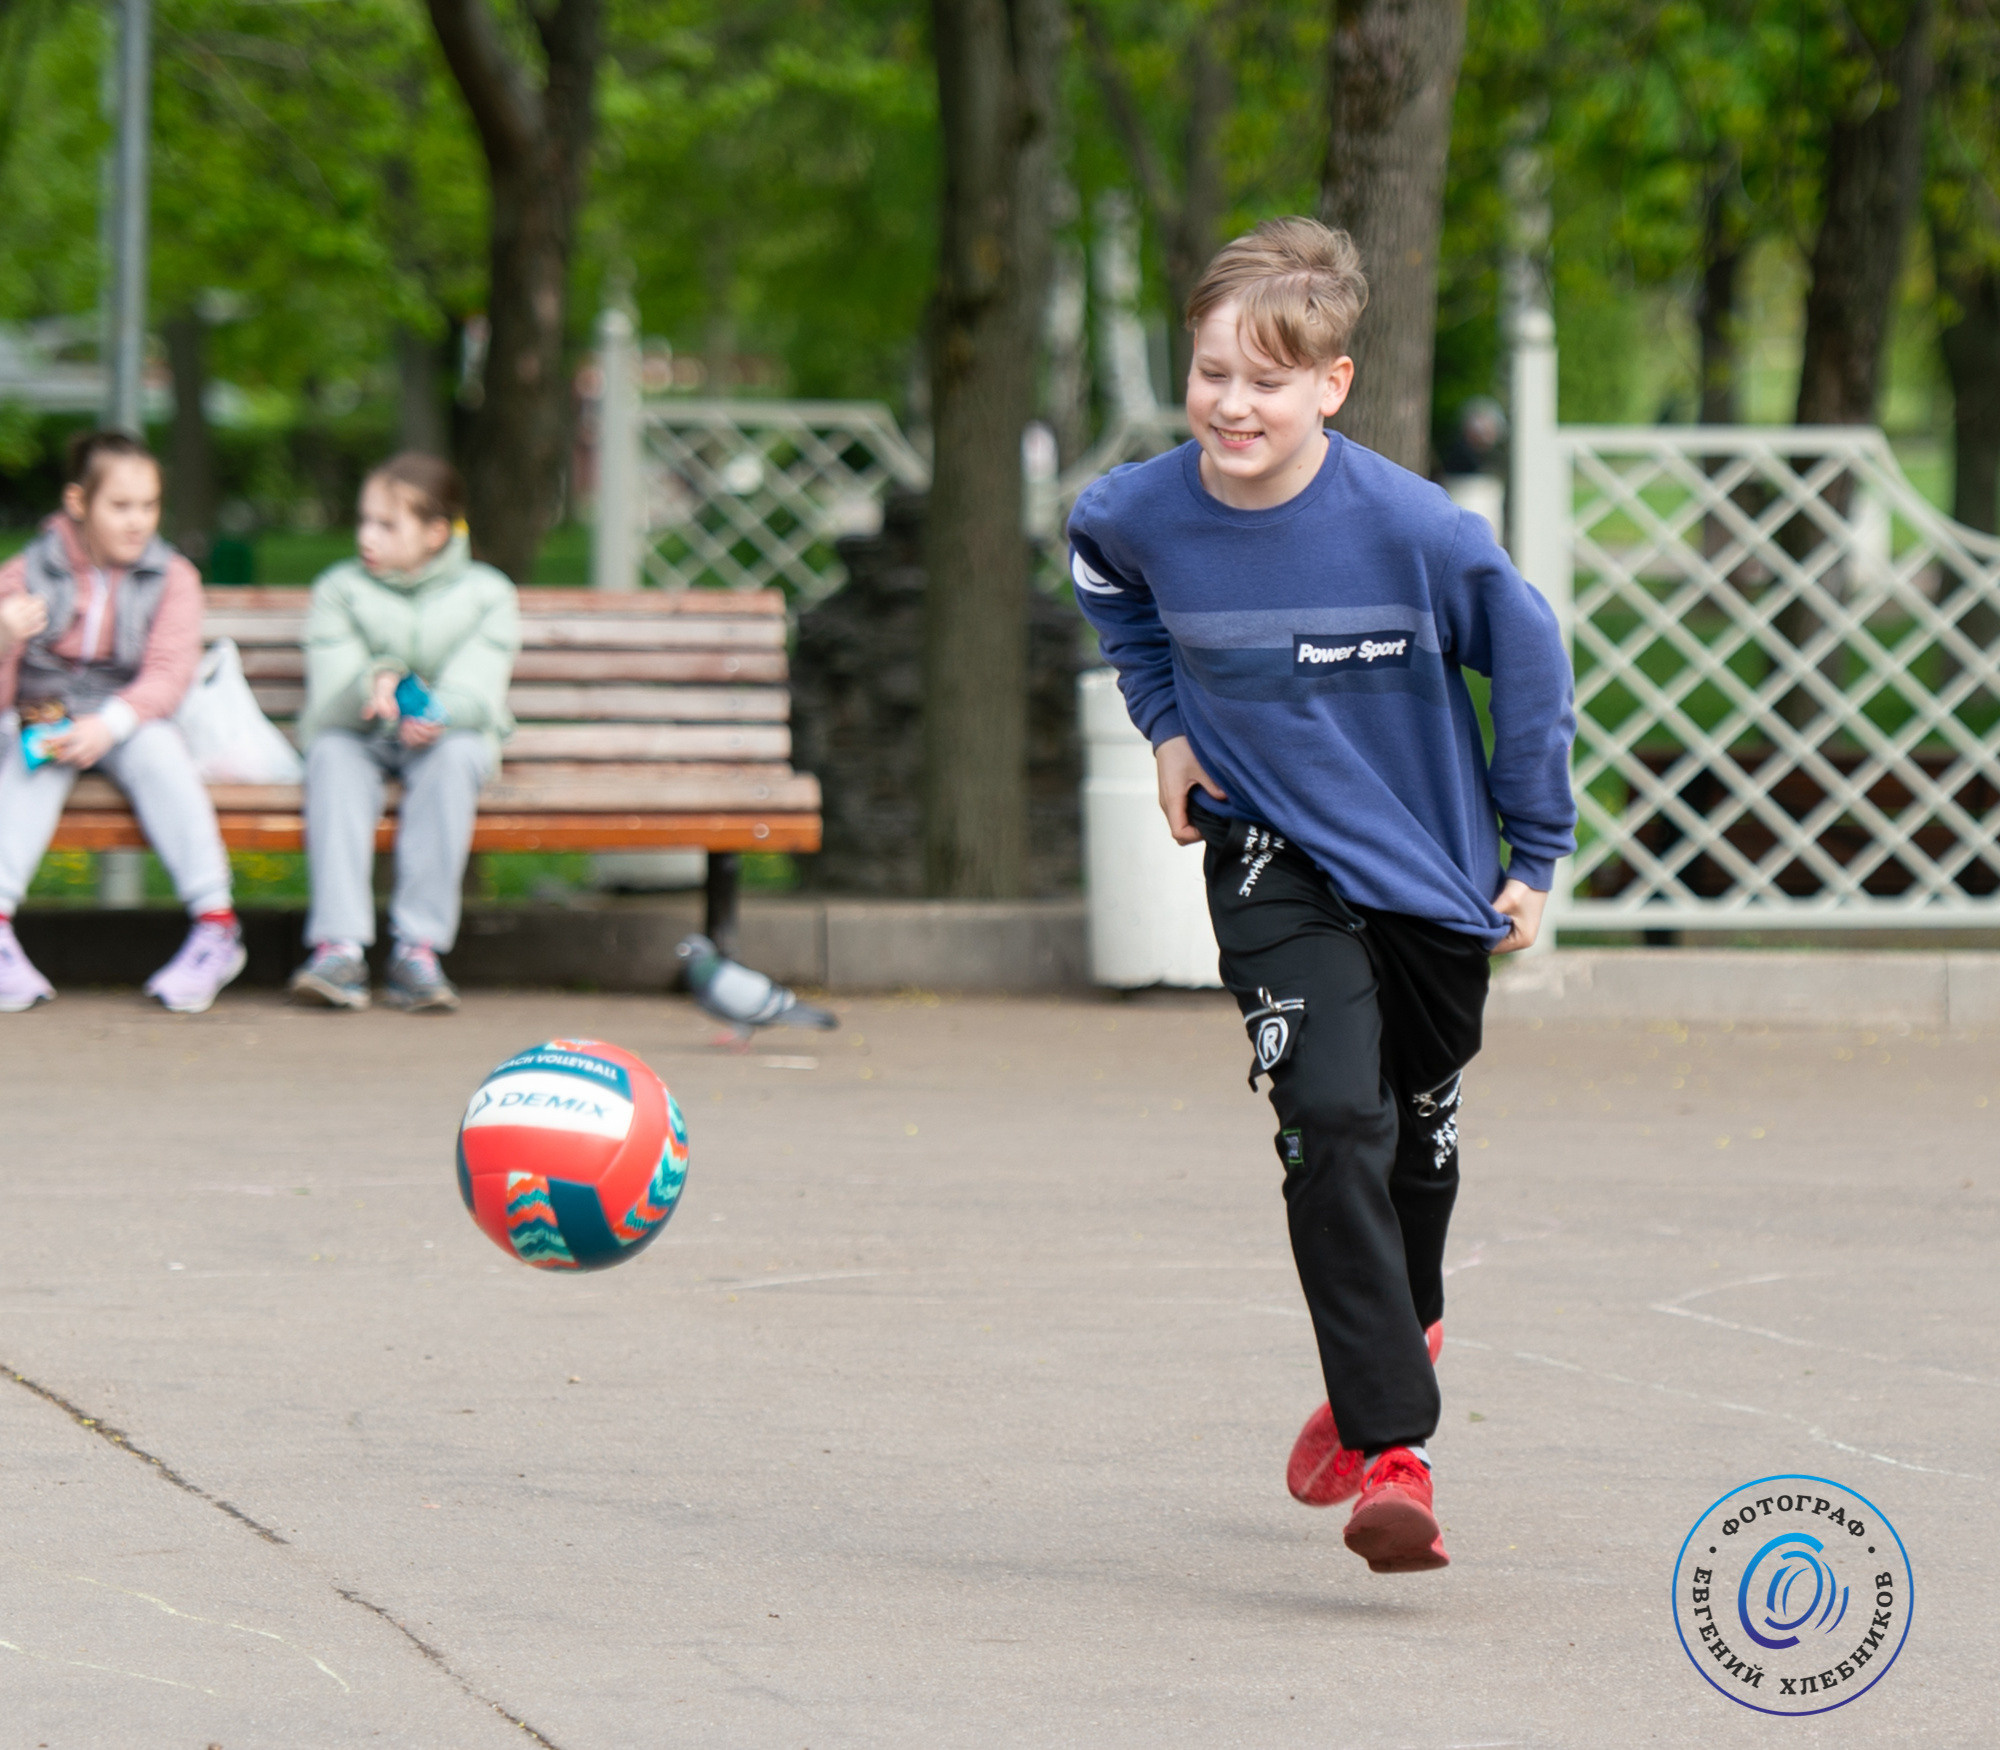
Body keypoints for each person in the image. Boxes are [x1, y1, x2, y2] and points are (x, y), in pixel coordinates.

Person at [1068, 219, 1576, 1576]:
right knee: (1330, 1117)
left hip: (1431, 872)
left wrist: (1533, 851)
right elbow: (1106, 583)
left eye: (1268, 381)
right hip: (1264, 850)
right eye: (1212, 374)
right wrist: (1169, 725)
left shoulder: (1414, 529)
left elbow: (1529, 657)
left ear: (1332, 386)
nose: (1234, 404)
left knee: (1416, 1147)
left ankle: (1392, 1338)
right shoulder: (1139, 510)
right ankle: (1393, 1449)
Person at [0, 430, 245, 1015]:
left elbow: (167, 675)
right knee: (29, 759)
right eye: (120, 506)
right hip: (42, 715)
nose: (138, 522)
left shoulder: (173, 578)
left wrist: (108, 725)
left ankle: (217, 928)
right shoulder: (22, 574)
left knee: (162, 754)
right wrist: (4, 639)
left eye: (149, 506)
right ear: (78, 502)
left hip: (130, 715)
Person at [286, 454, 518, 1014]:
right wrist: (375, 683)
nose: (367, 535)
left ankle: (418, 950)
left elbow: (479, 691)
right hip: (357, 733)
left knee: (458, 759)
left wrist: (436, 710)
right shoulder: (339, 590)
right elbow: (331, 696)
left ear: (436, 533)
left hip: (444, 738)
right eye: (365, 520)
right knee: (331, 759)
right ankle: (338, 949)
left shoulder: (488, 594)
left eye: (387, 524)